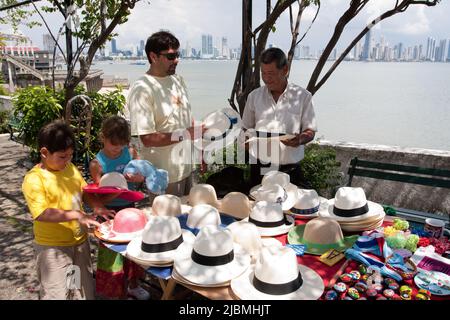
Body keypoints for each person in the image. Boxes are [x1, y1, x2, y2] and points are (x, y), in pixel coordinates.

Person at [22, 120, 115, 300]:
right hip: (53, 249)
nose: (67, 161)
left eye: (70, 155)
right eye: (62, 156)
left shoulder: (70, 168)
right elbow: (41, 213)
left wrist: (97, 205)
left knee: (79, 289)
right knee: (57, 293)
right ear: (44, 152)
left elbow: (83, 190)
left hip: (79, 244)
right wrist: (77, 215)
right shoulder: (34, 179)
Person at [127, 31, 204, 202]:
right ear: (153, 56)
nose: (176, 60)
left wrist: (200, 146)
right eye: (170, 56)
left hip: (188, 167)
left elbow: (186, 117)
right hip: (163, 175)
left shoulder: (178, 80)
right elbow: (147, 138)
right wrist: (186, 134)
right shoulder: (142, 89)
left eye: (177, 54)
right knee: (168, 223)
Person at [89, 115, 150, 300]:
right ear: (103, 138)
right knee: (112, 255)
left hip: (130, 208)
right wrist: (116, 189)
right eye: (113, 144)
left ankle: (133, 284)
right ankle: (114, 291)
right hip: (109, 213)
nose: (117, 148)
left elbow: (142, 175)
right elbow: (97, 195)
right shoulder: (97, 163)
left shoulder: (130, 152)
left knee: (133, 249)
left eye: (121, 144)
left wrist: (139, 178)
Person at [242, 47, 317, 188]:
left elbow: (310, 131)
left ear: (285, 70)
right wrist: (245, 140)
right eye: (263, 73)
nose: (266, 79)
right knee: (258, 208)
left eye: (271, 73)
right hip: (260, 169)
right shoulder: (254, 96)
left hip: (290, 169)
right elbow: (246, 128)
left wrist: (300, 139)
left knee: (294, 207)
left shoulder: (303, 97)